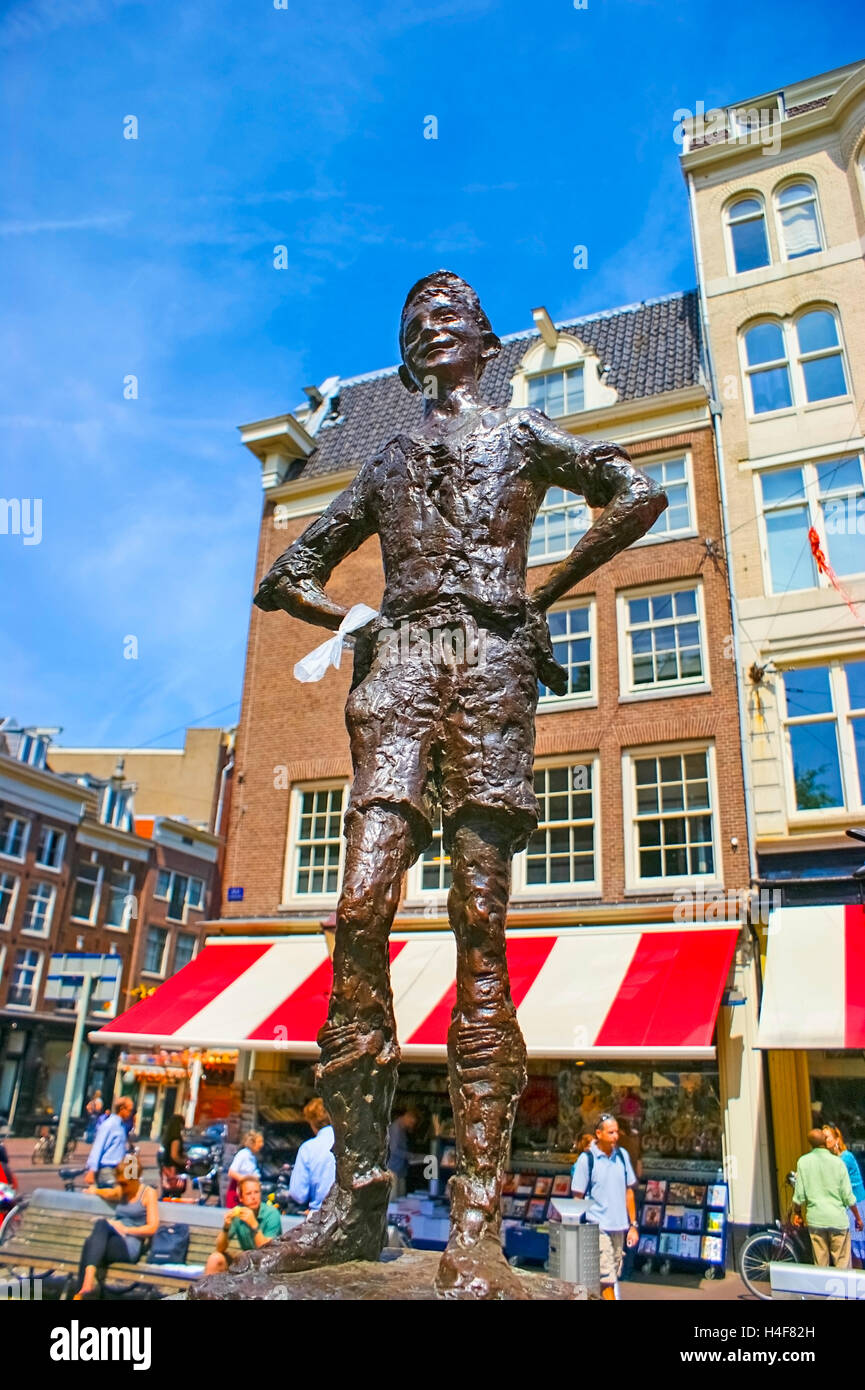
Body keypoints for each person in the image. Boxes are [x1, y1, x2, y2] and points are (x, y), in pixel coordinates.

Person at [193, 270, 663, 1303]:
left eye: (451, 316)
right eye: (417, 321)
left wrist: (535, 593)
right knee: (357, 908)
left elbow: (637, 492)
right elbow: (285, 573)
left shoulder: (527, 432)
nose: (433, 328)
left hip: (492, 663)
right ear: (407, 355)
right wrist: (347, 623)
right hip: (398, 668)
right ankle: (360, 1192)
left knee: (478, 924)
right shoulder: (386, 459)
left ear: (485, 343)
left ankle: (478, 1224)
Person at [572, 1113, 639, 1300]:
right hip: (597, 1226)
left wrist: (633, 1225)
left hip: (619, 1226)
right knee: (606, 1277)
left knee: (611, 1275)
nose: (616, 1137)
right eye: (611, 1132)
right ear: (598, 1134)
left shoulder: (623, 1156)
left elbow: (629, 1192)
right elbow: (578, 1196)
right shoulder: (587, 1160)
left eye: (617, 1132)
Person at [73, 1154, 159, 1299]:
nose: (122, 1187)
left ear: (135, 1178)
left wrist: (125, 1229)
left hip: (129, 1246)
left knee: (98, 1230)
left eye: (125, 1183)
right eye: (120, 1183)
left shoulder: (148, 1194)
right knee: (93, 1238)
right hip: (112, 1241)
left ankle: (84, 1288)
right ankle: (85, 1289)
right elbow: (109, 1192)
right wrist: (95, 1191)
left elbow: (152, 1227)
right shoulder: (121, 1191)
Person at [793, 1128, 863, 1268]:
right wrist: (858, 1218)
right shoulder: (838, 1163)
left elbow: (799, 1195)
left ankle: (823, 1289)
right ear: (824, 1142)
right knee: (842, 1265)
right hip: (838, 1220)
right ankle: (843, 1290)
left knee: (821, 1266)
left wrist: (797, 1214)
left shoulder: (803, 1162)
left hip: (816, 1221)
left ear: (810, 1143)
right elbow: (848, 1196)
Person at [203, 1176, 282, 1274]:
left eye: (256, 1192)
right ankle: (204, 1289)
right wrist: (226, 1227)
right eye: (248, 1193)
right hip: (247, 1261)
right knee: (215, 1259)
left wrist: (254, 1224)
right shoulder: (238, 1214)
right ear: (241, 1198)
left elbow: (267, 1251)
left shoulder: (272, 1214)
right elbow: (220, 1248)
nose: (253, 1197)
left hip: (270, 1263)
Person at [823, 1122, 865, 1268]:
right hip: (849, 1205)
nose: (825, 1140)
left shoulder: (845, 1157)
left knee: (855, 1248)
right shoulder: (835, 1159)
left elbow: (833, 1177)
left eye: (828, 1137)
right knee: (853, 1250)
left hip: (856, 1205)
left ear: (837, 1139)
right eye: (823, 1138)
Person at [289, 1099, 336, 1212]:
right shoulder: (349, 1143)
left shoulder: (308, 1148)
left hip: (321, 1215)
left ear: (312, 1122)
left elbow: (299, 1194)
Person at [83, 1097, 134, 1187]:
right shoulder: (109, 1125)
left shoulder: (122, 1126)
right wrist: (92, 1170)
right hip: (107, 1169)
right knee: (114, 1194)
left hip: (119, 1168)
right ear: (122, 1109)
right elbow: (98, 1147)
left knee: (129, 1190)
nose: (131, 1114)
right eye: (129, 1111)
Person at [225, 1130, 264, 1208]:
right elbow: (231, 1172)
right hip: (238, 1192)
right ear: (252, 1143)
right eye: (259, 1143)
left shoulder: (252, 1157)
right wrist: (247, 1182)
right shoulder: (243, 1154)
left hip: (248, 1192)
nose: (261, 1145)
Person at [387, 1108, 419, 1199]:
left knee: (400, 1199)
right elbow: (394, 1149)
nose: (411, 1126)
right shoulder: (396, 1129)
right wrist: (409, 1156)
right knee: (393, 1201)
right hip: (393, 1169)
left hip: (400, 1170)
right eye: (411, 1123)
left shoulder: (402, 1129)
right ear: (407, 1118)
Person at [160, 1113, 186, 1198]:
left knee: (167, 1191)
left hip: (166, 1167)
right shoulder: (176, 1139)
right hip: (174, 1169)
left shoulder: (168, 1138)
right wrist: (184, 1162)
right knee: (175, 1191)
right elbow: (174, 1156)